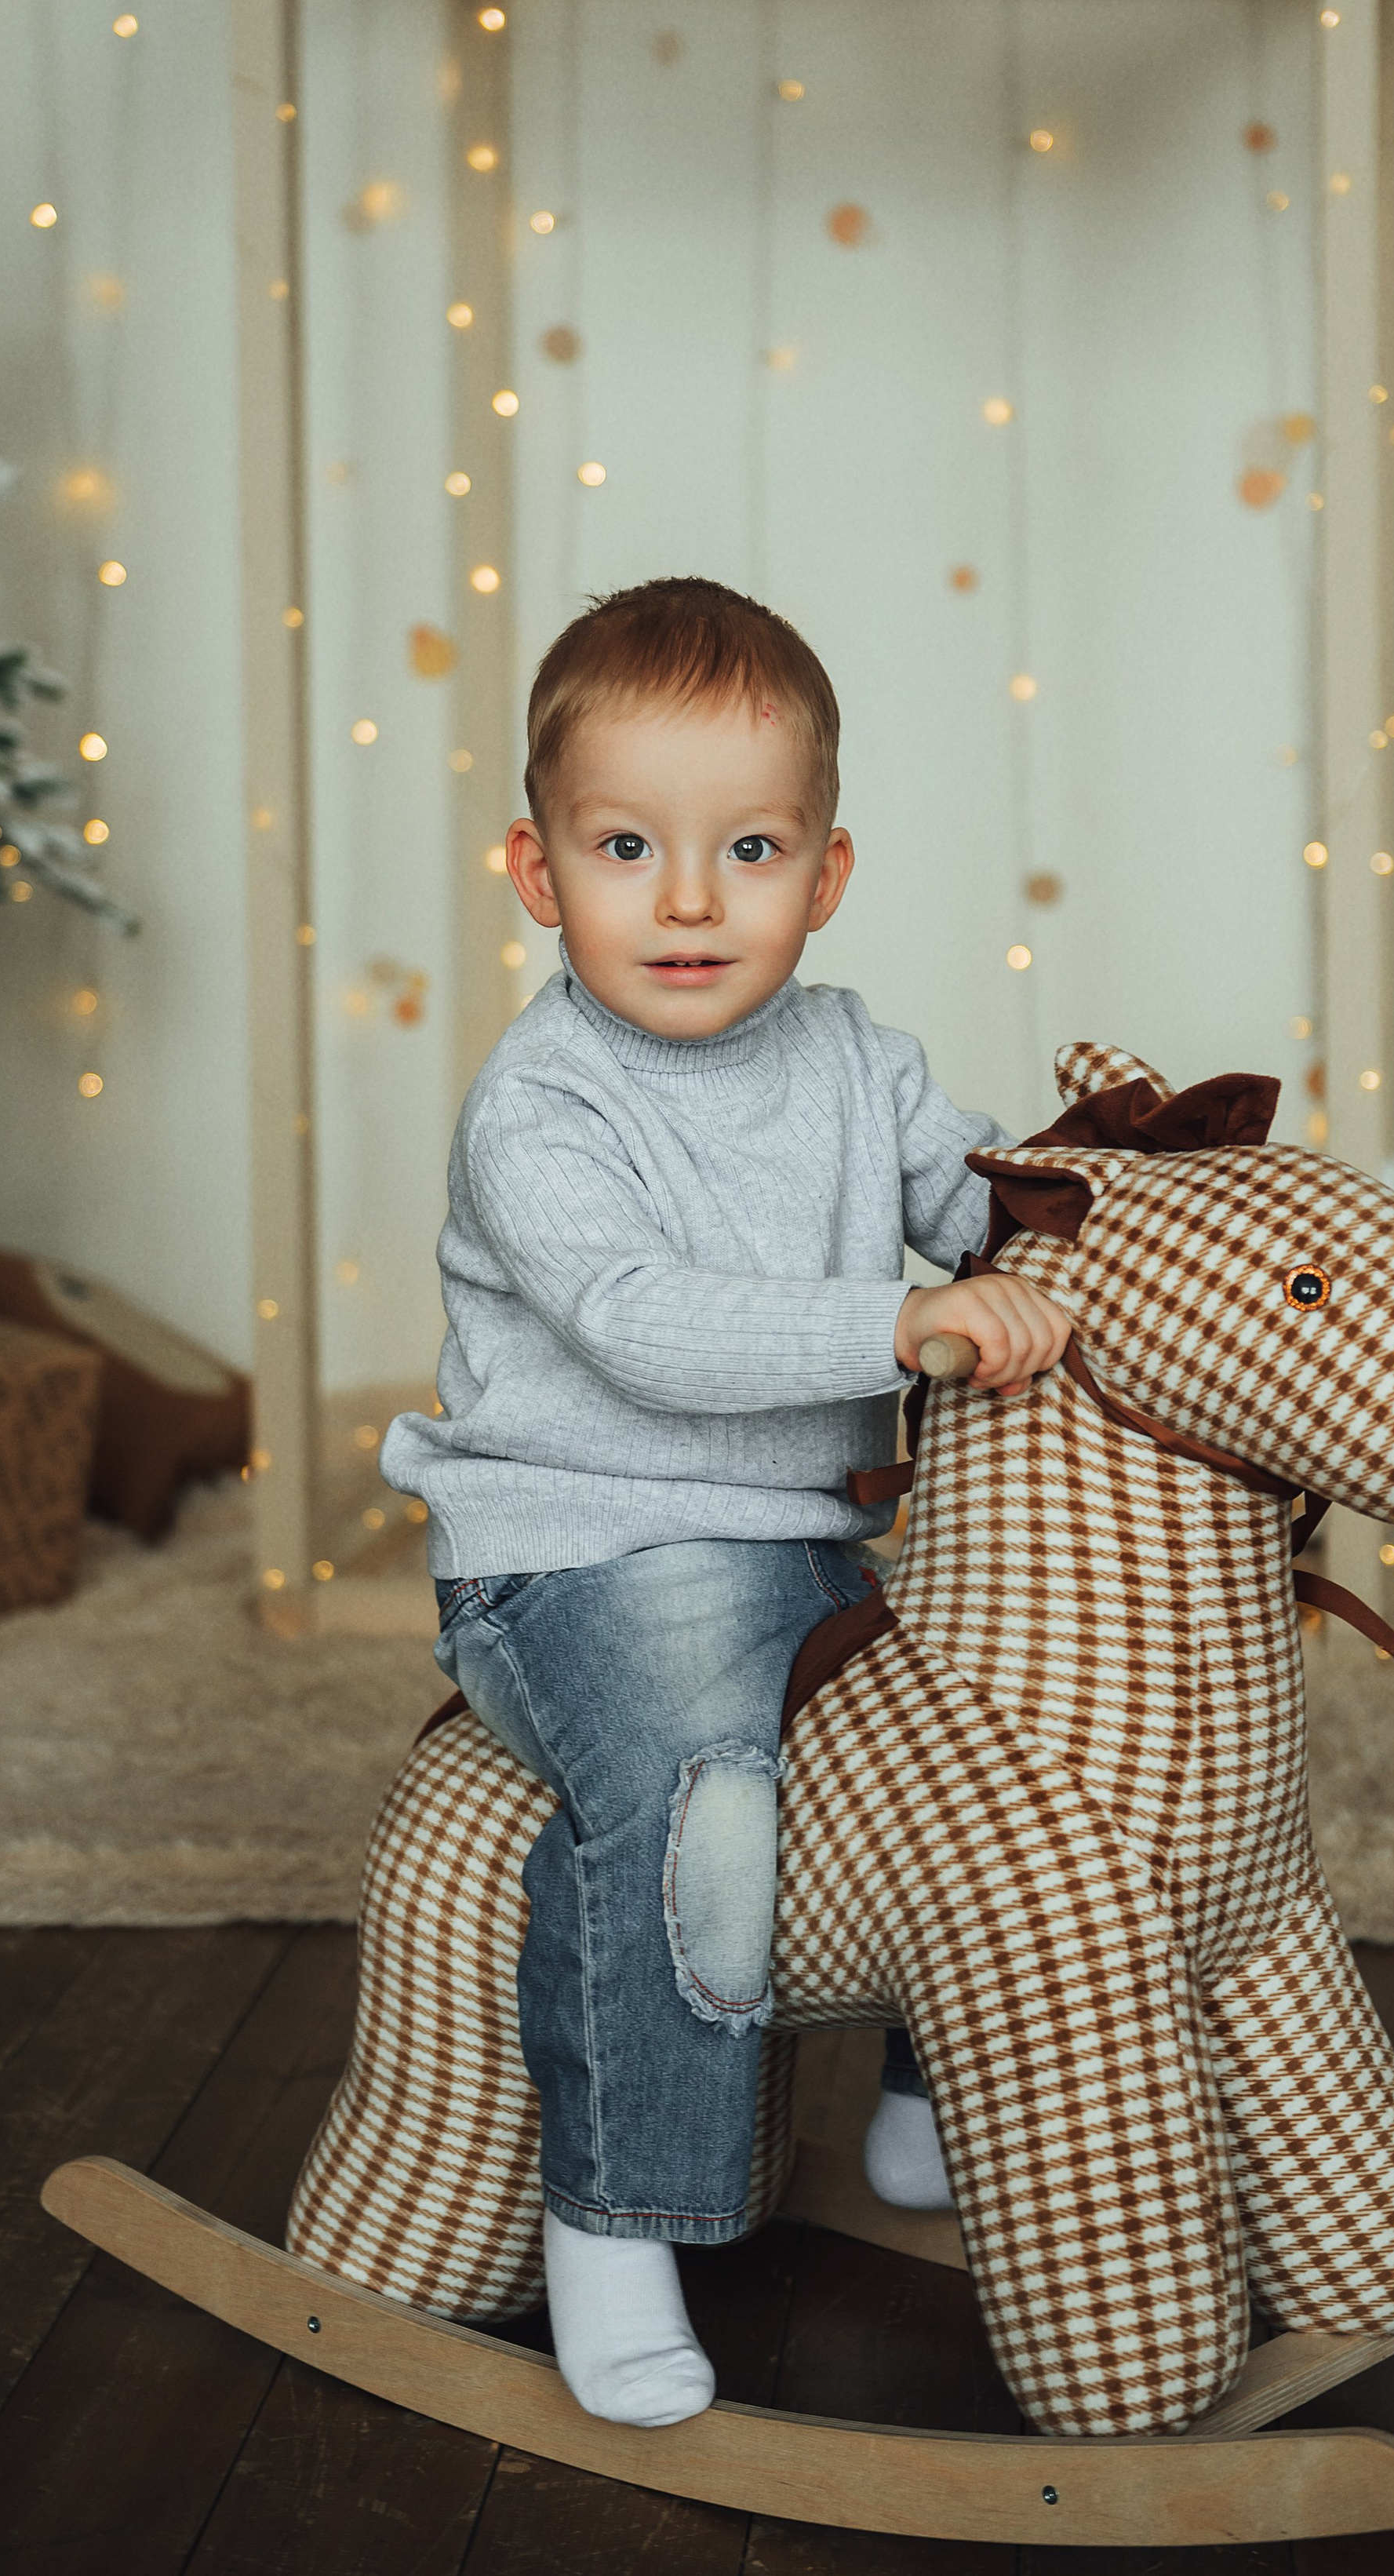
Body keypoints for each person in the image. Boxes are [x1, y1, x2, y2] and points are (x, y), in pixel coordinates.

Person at [382, 578, 1071, 2427]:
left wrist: (1099, 1221)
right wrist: (903, 1321)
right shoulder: (543, 1102)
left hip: (802, 1543)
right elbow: (639, 1326)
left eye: (745, 848)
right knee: (704, 1800)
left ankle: (942, 2086)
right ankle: (614, 2216)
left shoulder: (861, 1059)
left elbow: (996, 1203)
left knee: (999, 1727)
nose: (687, 900)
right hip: (585, 1548)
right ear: (537, 873)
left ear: (824, 873)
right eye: (628, 847)